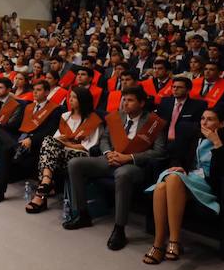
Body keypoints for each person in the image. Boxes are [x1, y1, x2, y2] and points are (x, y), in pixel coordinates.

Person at [64, 86, 166, 251]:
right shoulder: (116, 117)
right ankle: (82, 214)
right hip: (111, 158)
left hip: (134, 165)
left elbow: (159, 151)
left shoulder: (153, 122)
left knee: (122, 174)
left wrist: (130, 157)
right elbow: (104, 139)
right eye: (123, 99)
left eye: (130, 100)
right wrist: (108, 152)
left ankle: (119, 229)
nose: (125, 103)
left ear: (141, 103)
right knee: (75, 163)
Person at [143, 108, 224, 264]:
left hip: (207, 183)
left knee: (169, 182)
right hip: (189, 177)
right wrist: (180, 166)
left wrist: (216, 142)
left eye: (210, 119)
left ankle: (172, 242)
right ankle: (160, 243)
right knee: (164, 186)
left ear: (221, 123)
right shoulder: (193, 135)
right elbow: (176, 156)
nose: (204, 122)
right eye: (202, 118)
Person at [0, 80, 62, 206]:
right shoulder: (28, 106)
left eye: (39, 90)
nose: (35, 92)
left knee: (5, 148)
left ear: (47, 92)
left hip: (36, 142)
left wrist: (31, 139)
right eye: (34, 90)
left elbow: (50, 131)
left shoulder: (55, 109)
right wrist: (1, 128)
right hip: (19, 140)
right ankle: (15, 147)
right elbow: (16, 125)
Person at [26, 87, 102, 213]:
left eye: (74, 97)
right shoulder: (65, 116)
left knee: (47, 155)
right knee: (48, 142)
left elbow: (87, 147)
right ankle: (45, 183)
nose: (70, 100)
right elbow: (55, 140)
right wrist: (63, 143)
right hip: (61, 152)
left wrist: (67, 144)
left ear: (83, 100)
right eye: (69, 96)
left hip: (80, 156)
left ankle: (42, 192)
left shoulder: (93, 120)